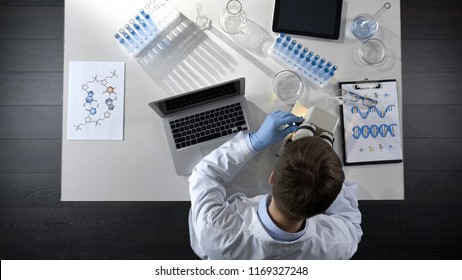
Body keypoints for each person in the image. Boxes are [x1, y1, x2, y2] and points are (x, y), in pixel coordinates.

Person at [188, 110, 362, 259]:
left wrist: (253, 142)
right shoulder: (338, 246)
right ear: (327, 205)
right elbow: (351, 225)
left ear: (272, 177)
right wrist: (326, 169)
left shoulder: (214, 229)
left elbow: (204, 174)